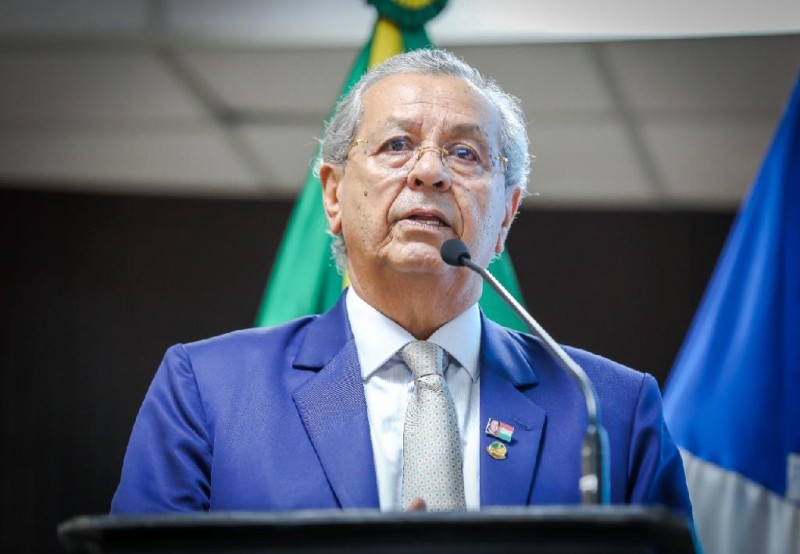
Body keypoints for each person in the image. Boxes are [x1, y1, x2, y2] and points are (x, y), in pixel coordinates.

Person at [110, 48, 692, 516]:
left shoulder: (610, 410)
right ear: (333, 195)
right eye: (397, 145)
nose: (430, 171)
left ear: (506, 217)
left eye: (464, 153)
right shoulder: (208, 392)